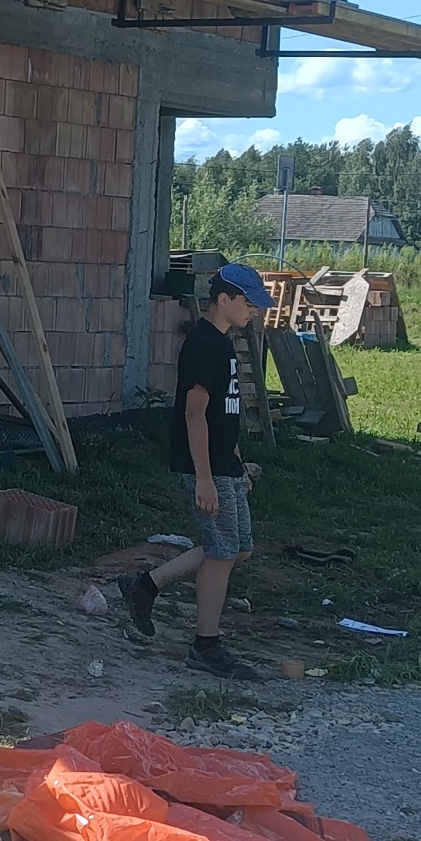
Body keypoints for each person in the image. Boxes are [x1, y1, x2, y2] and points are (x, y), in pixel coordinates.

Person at [118, 262, 272, 680]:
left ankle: (145, 586)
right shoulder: (203, 345)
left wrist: (236, 463)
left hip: (224, 465)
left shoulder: (225, 342)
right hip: (206, 467)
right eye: (249, 303)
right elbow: (194, 414)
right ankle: (206, 646)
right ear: (223, 299)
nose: (255, 310)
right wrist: (204, 477)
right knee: (222, 553)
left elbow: (226, 415)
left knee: (238, 548)